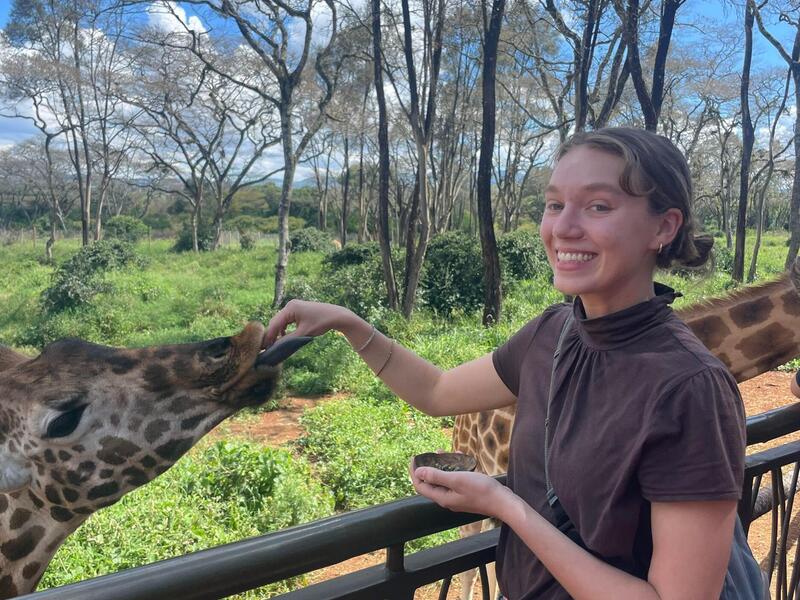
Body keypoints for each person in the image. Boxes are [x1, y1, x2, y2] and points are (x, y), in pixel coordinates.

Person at [265, 127, 746, 599]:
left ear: (664, 227)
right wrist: (352, 325)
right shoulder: (551, 334)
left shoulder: (690, 387)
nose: (562, 227)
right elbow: (437, 393)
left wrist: (506, 507)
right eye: (555, 204)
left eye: (598, 206)